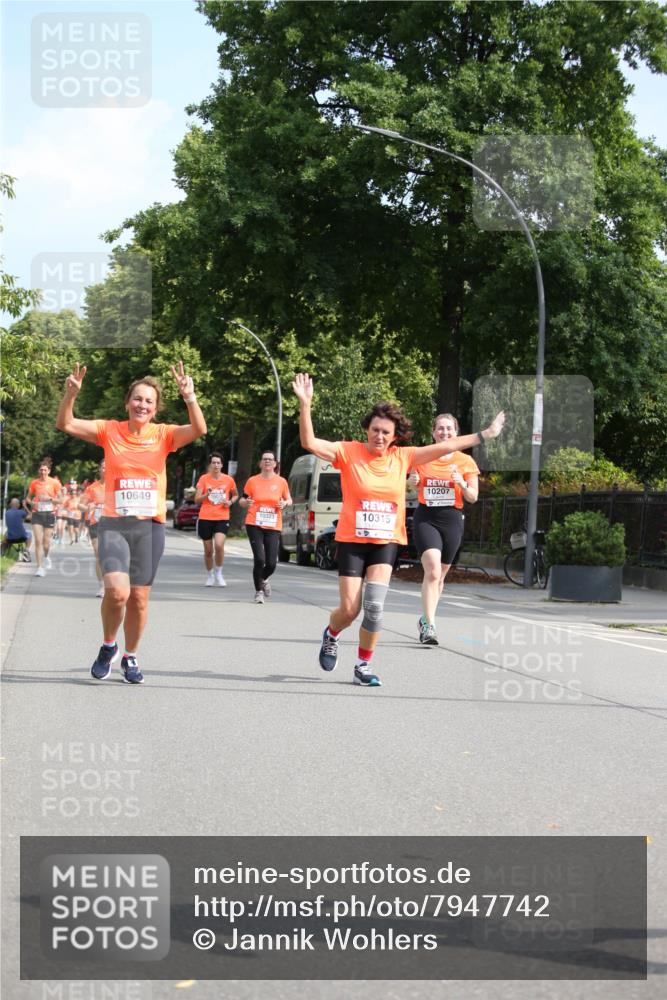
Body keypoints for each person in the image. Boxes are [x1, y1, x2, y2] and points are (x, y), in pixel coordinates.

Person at [292, 372, 504, 687]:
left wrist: (485, 434)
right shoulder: (348, 452)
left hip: (385, 542)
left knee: (374, 608)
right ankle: (331, 633)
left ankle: (363, 667)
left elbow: (449, 444)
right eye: (375, 430)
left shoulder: (405, 457)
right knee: (349, 611)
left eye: (386, 432)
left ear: (394, 435)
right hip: (352, 541)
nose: (379, 436)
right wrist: (305, 404)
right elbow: (308, 442)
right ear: (367, 430)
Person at [56, 361, 206, 684]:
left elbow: (199, 430)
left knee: (139, 598)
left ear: (155, 408)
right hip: (114, 524)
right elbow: (65, 423)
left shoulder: (164, 435)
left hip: (149, 528)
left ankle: (131, 655)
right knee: (118, 591)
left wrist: (190, 397)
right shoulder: (109, 430)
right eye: (137, 399)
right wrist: (70, 394)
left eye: (149, 401)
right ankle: (108, 645)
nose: (142, 405)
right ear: (127, 403)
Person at [408, 413, 480, 646]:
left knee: (440, 577)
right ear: (433, 432)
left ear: (456, 433)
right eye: (440, 429)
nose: (444, 433)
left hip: (451, 519)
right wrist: (413, 482)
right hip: (426, 517)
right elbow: (410, 484)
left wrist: (460, 482)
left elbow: (473, 497)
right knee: (433, 571)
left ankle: (424, 618)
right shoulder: (422, 456)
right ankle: (430, 626)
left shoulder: (465, 461)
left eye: (449, 429)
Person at [238, 451, 292, 604]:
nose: (267, 462)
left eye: (270, 459)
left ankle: (264, 578)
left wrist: (284, 503)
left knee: (272, 563)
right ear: (260, 463)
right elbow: (242, 500)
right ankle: (258, 591)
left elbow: (289, 499)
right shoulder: (252, 481)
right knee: (259, 559)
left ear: (275, 463)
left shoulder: (281, 482)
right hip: (254, 523)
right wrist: (245, 503)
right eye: (264, 459)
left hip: (273, 525)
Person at [194, 452, 238, 587]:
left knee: (219, 545)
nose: (216, 465)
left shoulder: (228, 480)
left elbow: (235, 495)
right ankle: (210, 575)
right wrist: (206, 494)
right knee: (208, 551)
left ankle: (219, 573)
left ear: (222, 465)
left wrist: (230, 502)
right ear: (210, 465)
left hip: (222, 516)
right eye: (213, 462)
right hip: (206, 517)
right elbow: (196, 500)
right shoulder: (204, 479)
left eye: (218, 463)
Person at [23, 461, 63, 576]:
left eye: (45, 470)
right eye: (41, 470)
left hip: (50, 514)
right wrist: (32, 504)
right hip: (37, 513)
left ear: (49, 471)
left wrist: (49, 499)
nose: (43, 472)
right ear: (38, 471)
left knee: (46, 543)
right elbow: (28, 499)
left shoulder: (54, 483)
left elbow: (61, 500)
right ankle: (40, 567)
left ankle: (46, 556)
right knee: (38, 541)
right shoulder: (34, 483)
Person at [82, 460, 106, 597]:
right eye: (103, 467)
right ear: (99, 469)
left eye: (108, 467)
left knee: (112, 553)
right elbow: (80, 505)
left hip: (113, 524)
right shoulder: (92, 488)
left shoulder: (115, 486)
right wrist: (88, 507)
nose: (105, 469)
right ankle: (102, 586)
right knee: (99, 554)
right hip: (96, 522)